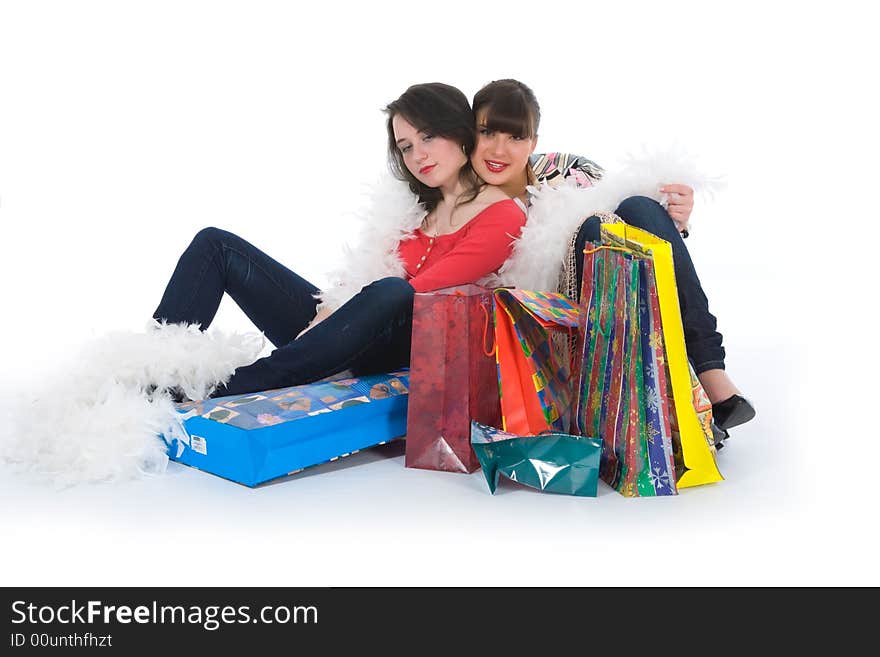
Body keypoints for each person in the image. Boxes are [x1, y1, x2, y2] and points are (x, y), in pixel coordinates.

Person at [152, 83, 525, 398]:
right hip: (339, 340)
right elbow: (358, 280)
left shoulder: (503, 215)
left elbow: (421, 293)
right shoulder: (409, 209)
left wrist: (326, 325)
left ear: (459, 131)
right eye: (406, 146)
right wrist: (323, 317)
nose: (418, 155)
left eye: (428, 136)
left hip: (412, 348)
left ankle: (233, 384)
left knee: (395, 291)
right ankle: (151, 372)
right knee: (216, 245)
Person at [468, 79, 755, 433]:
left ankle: (710, 371)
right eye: (487, 133)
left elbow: (635, 222)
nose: (499, 150)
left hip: (617, 291)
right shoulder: (461, 196)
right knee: (593, 230)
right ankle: (668, 392)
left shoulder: (565, 169)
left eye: (515, 137)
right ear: (470, 135)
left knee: (637, 205)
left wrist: (675, 216)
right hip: (545, 326)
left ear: (533, 143)